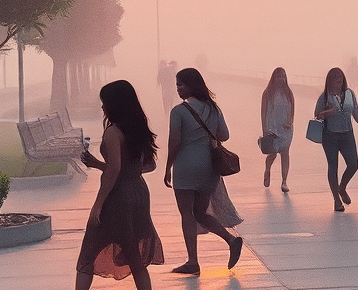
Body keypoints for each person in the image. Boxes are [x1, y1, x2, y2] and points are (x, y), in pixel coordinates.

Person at [75, 80, 163, 290]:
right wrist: (97, 164)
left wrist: (98, 205)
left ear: (115, 104)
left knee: (88, 254)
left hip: (118, 198)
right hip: (138, 193)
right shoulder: (138, 130)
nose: (102, 107)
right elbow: (145, 166)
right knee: (134, 255)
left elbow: (114, 171)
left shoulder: (113, 133)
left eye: (104, 102)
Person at [164, 68, 243, 275]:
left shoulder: (179, 111)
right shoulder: (213, 108)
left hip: (186, 166)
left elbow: (174, 142)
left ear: (191, 85)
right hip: (209, 167)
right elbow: (224, 135)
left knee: (187, 213)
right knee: (200, 212)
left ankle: (192, 261)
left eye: (181, 84)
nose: (178, 89)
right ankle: (231, 239)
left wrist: (167, 168)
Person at [314, 67, 358, 212]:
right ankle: (336, 200)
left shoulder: (350, 94)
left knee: (353, 164)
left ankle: (342, 187)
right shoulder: (324, 96)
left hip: (347, 134)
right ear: (329, 80)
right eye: (335, 76)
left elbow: (357, 114)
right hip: (330, 135)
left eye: (340, 76)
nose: (338, 79)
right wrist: (329, 111)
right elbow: (317, 115)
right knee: (333, 166)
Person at [261, 67, 295, 193]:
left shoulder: (288, 92)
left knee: (285, 153)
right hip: (272, 127)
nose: (280, 78)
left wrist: (290, 122)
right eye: (278, 76)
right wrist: (264, 129)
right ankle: (267, 170)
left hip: (286, 128)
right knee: (273, 154)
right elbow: (263, 111)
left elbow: (292, 110)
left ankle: (284, 181)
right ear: (273, 77)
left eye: (282, 76)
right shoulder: (267, 93)